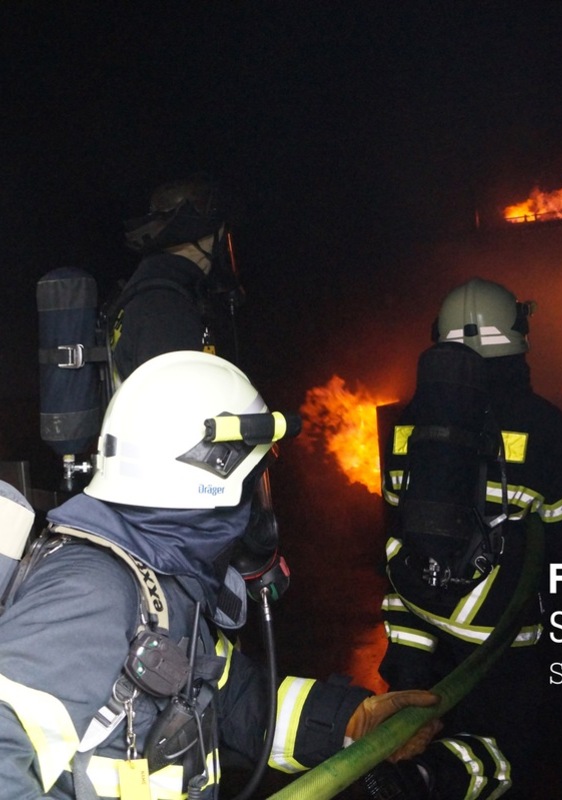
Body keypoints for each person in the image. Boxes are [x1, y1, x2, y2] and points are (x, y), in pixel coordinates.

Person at [0, 350, 440, 799]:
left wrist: (349, 722)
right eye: (251, 485)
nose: (257, 511)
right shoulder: (94, 591)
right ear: (211, 476)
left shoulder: (166, 585)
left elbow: (233, 699)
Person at [376, 278, 562, 799]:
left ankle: (419, 771)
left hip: (418, 627)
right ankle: (431, 778)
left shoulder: (408, 423)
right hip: (500, 641)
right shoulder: (544, 425)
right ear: (518, 335)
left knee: (422, 730)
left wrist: (407, 665)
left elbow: (396, 527)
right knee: (509, 752)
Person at [108, 171, 244, 391]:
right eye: (221, 235)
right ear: (207, 238)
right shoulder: (166, 309)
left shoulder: (147, 286)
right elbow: (176, 403)